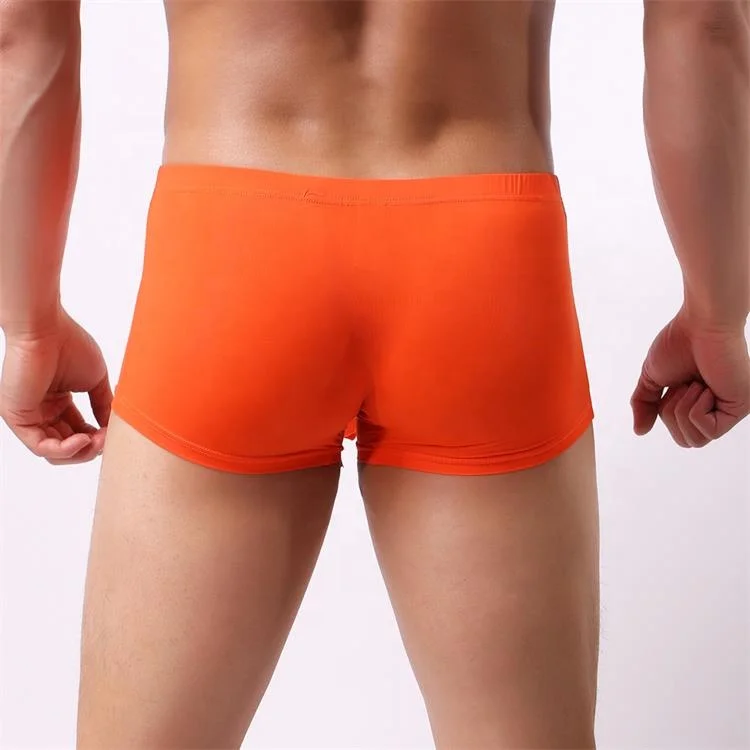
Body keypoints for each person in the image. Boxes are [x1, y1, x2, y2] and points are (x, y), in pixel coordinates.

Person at [1, 0, 748, 747]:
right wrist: (716, 313)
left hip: (233, 246)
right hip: (480, 252)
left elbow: (21, 27)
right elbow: (704, 22)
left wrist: (30, 324)